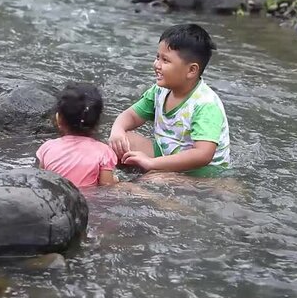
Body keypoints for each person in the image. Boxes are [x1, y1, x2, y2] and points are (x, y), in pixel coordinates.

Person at [108, 23, 230, 176]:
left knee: (152, 182)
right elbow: (131, 115)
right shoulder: (160, 90)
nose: (156, 65)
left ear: (191, 70)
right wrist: (117, 130)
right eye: (157, 57)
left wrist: (152, 163)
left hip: (199, 172)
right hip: (166, 153)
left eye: (165, 60)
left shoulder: (205, 104)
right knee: (121, 144)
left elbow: (202, 155)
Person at [36, 82, 118, 187]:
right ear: (97, 121)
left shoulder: (47, 148)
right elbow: (107, 189)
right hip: (86, 202)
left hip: (56, 200)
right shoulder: (104, 152)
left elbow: (41, 181)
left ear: (58, 118)